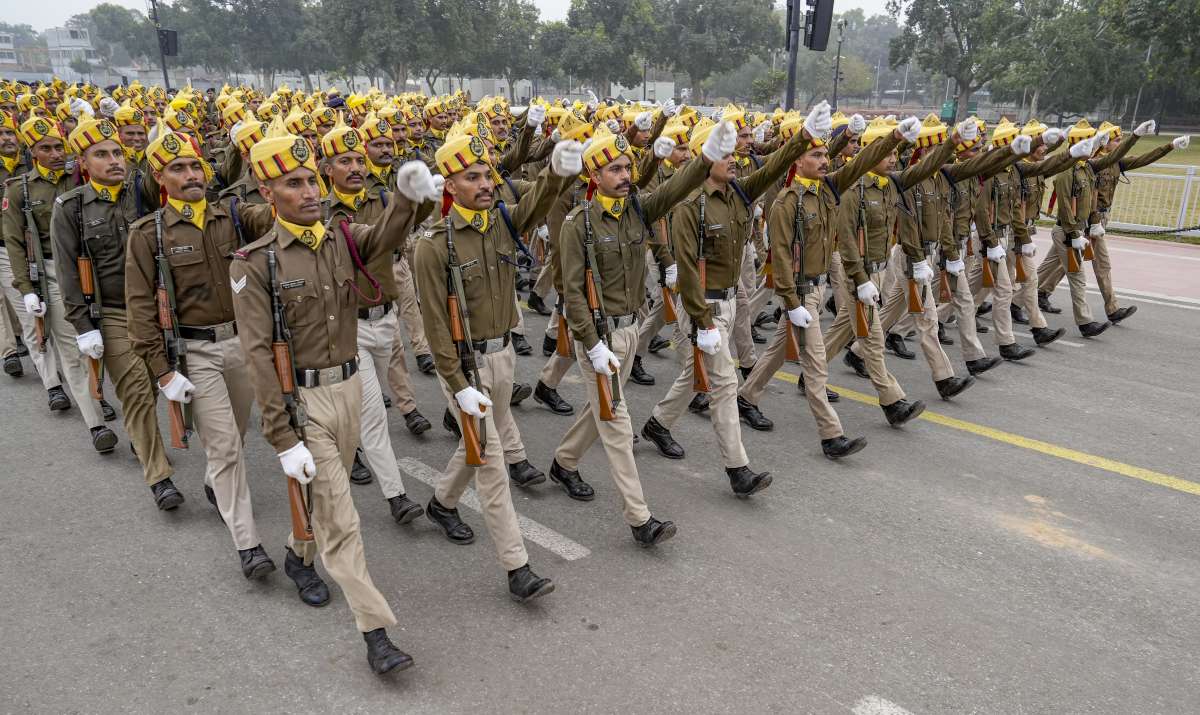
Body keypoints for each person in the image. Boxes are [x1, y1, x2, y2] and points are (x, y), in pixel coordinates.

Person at [230, 116, 441, 674]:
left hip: (350, 387)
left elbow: (387, 238)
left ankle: (299, 558)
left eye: (309, 181)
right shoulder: (255, 263)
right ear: (266, 193)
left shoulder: (342, 240)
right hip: (304, 405)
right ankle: (375, 634)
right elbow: (257, 356)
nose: (308, 192)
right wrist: (281, 435)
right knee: (343, 520)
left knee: (322, 502)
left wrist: (405, 196)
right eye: (293, 183)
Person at [414, 127, 580, 599]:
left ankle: (442, 502)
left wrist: (560, 168)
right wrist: (457, 382)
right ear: (450, 186)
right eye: (473, 177)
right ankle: (516, 566)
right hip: (464, 365)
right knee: (490, 461)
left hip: (502, 355)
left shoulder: (504, 222)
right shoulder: (433, 245)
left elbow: (543, 195)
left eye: (488, 174)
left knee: (479, 442)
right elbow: (433, 324)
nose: (486, 184)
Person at [640, 105, 829, 483]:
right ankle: (737, 468)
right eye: (724, 154)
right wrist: (702, 319)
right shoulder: (688, 206)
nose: (735, 160)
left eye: (733, 153)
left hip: (726, 299)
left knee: (703, 376)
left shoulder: (737, 193)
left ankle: (658, 423)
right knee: (724, 384)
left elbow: (774, 166)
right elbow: (689, 270)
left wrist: (803, 137)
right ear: (703, 158)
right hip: (703, 305)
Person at [51, 117, 176, 508]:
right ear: (84, 164)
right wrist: (83, 326)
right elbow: (68, 270)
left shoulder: (143, 190)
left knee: (160, 383)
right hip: (113, 312)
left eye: (117, 152)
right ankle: (159, 476)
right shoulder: (70, 207)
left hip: (156, 308)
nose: (113, 160)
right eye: (101, 155)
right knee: (136, 389)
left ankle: (143, 441)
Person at [320, 113, 432, 522]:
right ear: (326, 169)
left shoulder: (383, 198)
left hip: (387, 319)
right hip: (350, 323)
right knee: (371, 412)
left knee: (364, 403)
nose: (354, 168)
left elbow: (410, 224)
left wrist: (421, 195)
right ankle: (396, 495)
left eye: (357, 160)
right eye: (344, 161)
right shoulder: (321, 214)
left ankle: (345, 446)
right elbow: (378, 240)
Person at [2, 115, 114, 448]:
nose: (53, 153)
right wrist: (25, 289)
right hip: (52, 272)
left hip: (93, 267)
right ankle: (95, 422)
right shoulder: (19, 189)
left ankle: (97, 391)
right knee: (71, 347)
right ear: (32, 151)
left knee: (106, 342)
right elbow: (15, 244)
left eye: (57, 146)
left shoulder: (80, 176)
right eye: (44, 148)